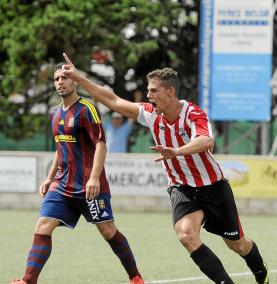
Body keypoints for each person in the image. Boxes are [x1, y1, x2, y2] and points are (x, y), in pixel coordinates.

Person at [61, 52, 269, 284]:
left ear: (170, 92)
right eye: (148, 91)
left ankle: (262, 272)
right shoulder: (150, 114)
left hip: (214, 188)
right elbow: (113, 100)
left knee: (238, 245)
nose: (148, 95)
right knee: (186, 235)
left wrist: (177, 151)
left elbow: (206, 141)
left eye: (153, 91)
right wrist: (79, 79)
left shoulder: (193, 114)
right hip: (182, 189)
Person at [10, 63, 144, 284]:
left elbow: (101, 144)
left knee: (108, 231)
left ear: (74, 81)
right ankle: (28, 280)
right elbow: (60, 149)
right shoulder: (54, 114)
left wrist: (94, 177)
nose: (60, 82)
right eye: (56, 79)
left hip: (90, 186)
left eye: (65, 77)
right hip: (63, 184)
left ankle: (135, 276)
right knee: (43, 226)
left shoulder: (87, 109)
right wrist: (50, 177)